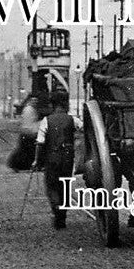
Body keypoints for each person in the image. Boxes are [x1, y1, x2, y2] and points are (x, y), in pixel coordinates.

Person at [33, 91, 82, 230]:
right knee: (65, 185)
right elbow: (84, 129)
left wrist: (37, 161)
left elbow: (40, 143)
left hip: (52, 158)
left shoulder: (46, 120)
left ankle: (57, 209)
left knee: (51, 185)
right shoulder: (72, 119)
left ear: (52, 105)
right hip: (67, 158)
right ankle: (63, 216)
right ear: (64, 104)